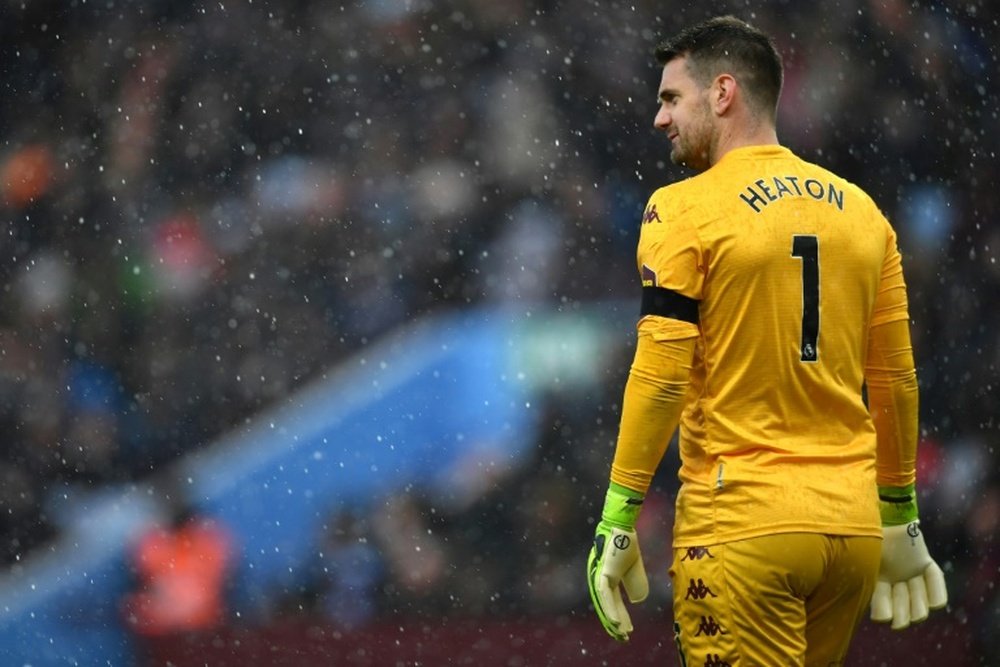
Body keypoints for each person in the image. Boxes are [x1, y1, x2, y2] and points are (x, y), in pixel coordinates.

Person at [585, 15, 948, 666]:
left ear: (722, 93)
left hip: (743, 523)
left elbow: (662, 374)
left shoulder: (682, 209)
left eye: (671, 98)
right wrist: (901, 515)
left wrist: (618, 516)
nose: (659, 119)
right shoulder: (862, 213)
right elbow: (894, 378)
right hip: (850, 531)